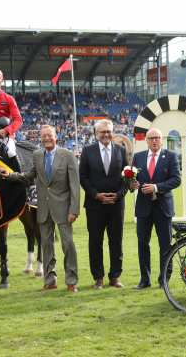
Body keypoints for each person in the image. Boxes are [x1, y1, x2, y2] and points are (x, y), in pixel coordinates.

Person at [0, 125, 80, 293]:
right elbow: (29, 177)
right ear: (40, 139)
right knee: (46, 245)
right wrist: (10, 175)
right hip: (43, 208)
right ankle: (50, 281)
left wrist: (74, 209)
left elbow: (74, 185)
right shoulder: (37, 155)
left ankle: (71, 280)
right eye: (43, 136)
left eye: (49, 135)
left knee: (68, 244)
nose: (46, 138)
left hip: (64, 209)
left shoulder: (67, 155)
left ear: (56, 137)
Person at [79, 119, 128, 289]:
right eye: (102, 132)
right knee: (95, 242)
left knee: (116, 242)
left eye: (108, 131)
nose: (106, 134)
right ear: (95, 134)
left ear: (112, 133)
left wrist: (119, 195)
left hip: (116, 205)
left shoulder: (121, 151)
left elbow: (127, 177)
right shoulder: (87, 151)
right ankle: (98, 277)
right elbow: (83, 177)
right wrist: (96, 195)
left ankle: (115, 277)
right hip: (95, 206)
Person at [130, 128, 181, 289]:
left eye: (157, 138)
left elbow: (176, 180)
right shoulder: (138, 157)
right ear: (146, 140)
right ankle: (145, 279)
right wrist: (132, 184)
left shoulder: (171, 156)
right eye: (151, 138)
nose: (154, 141)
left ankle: (164, 279)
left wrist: (156, 187)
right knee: (142, 243)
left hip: (163, 207)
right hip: (143, 208)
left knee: (165, 245)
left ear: (162, 139)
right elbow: (131, 181)